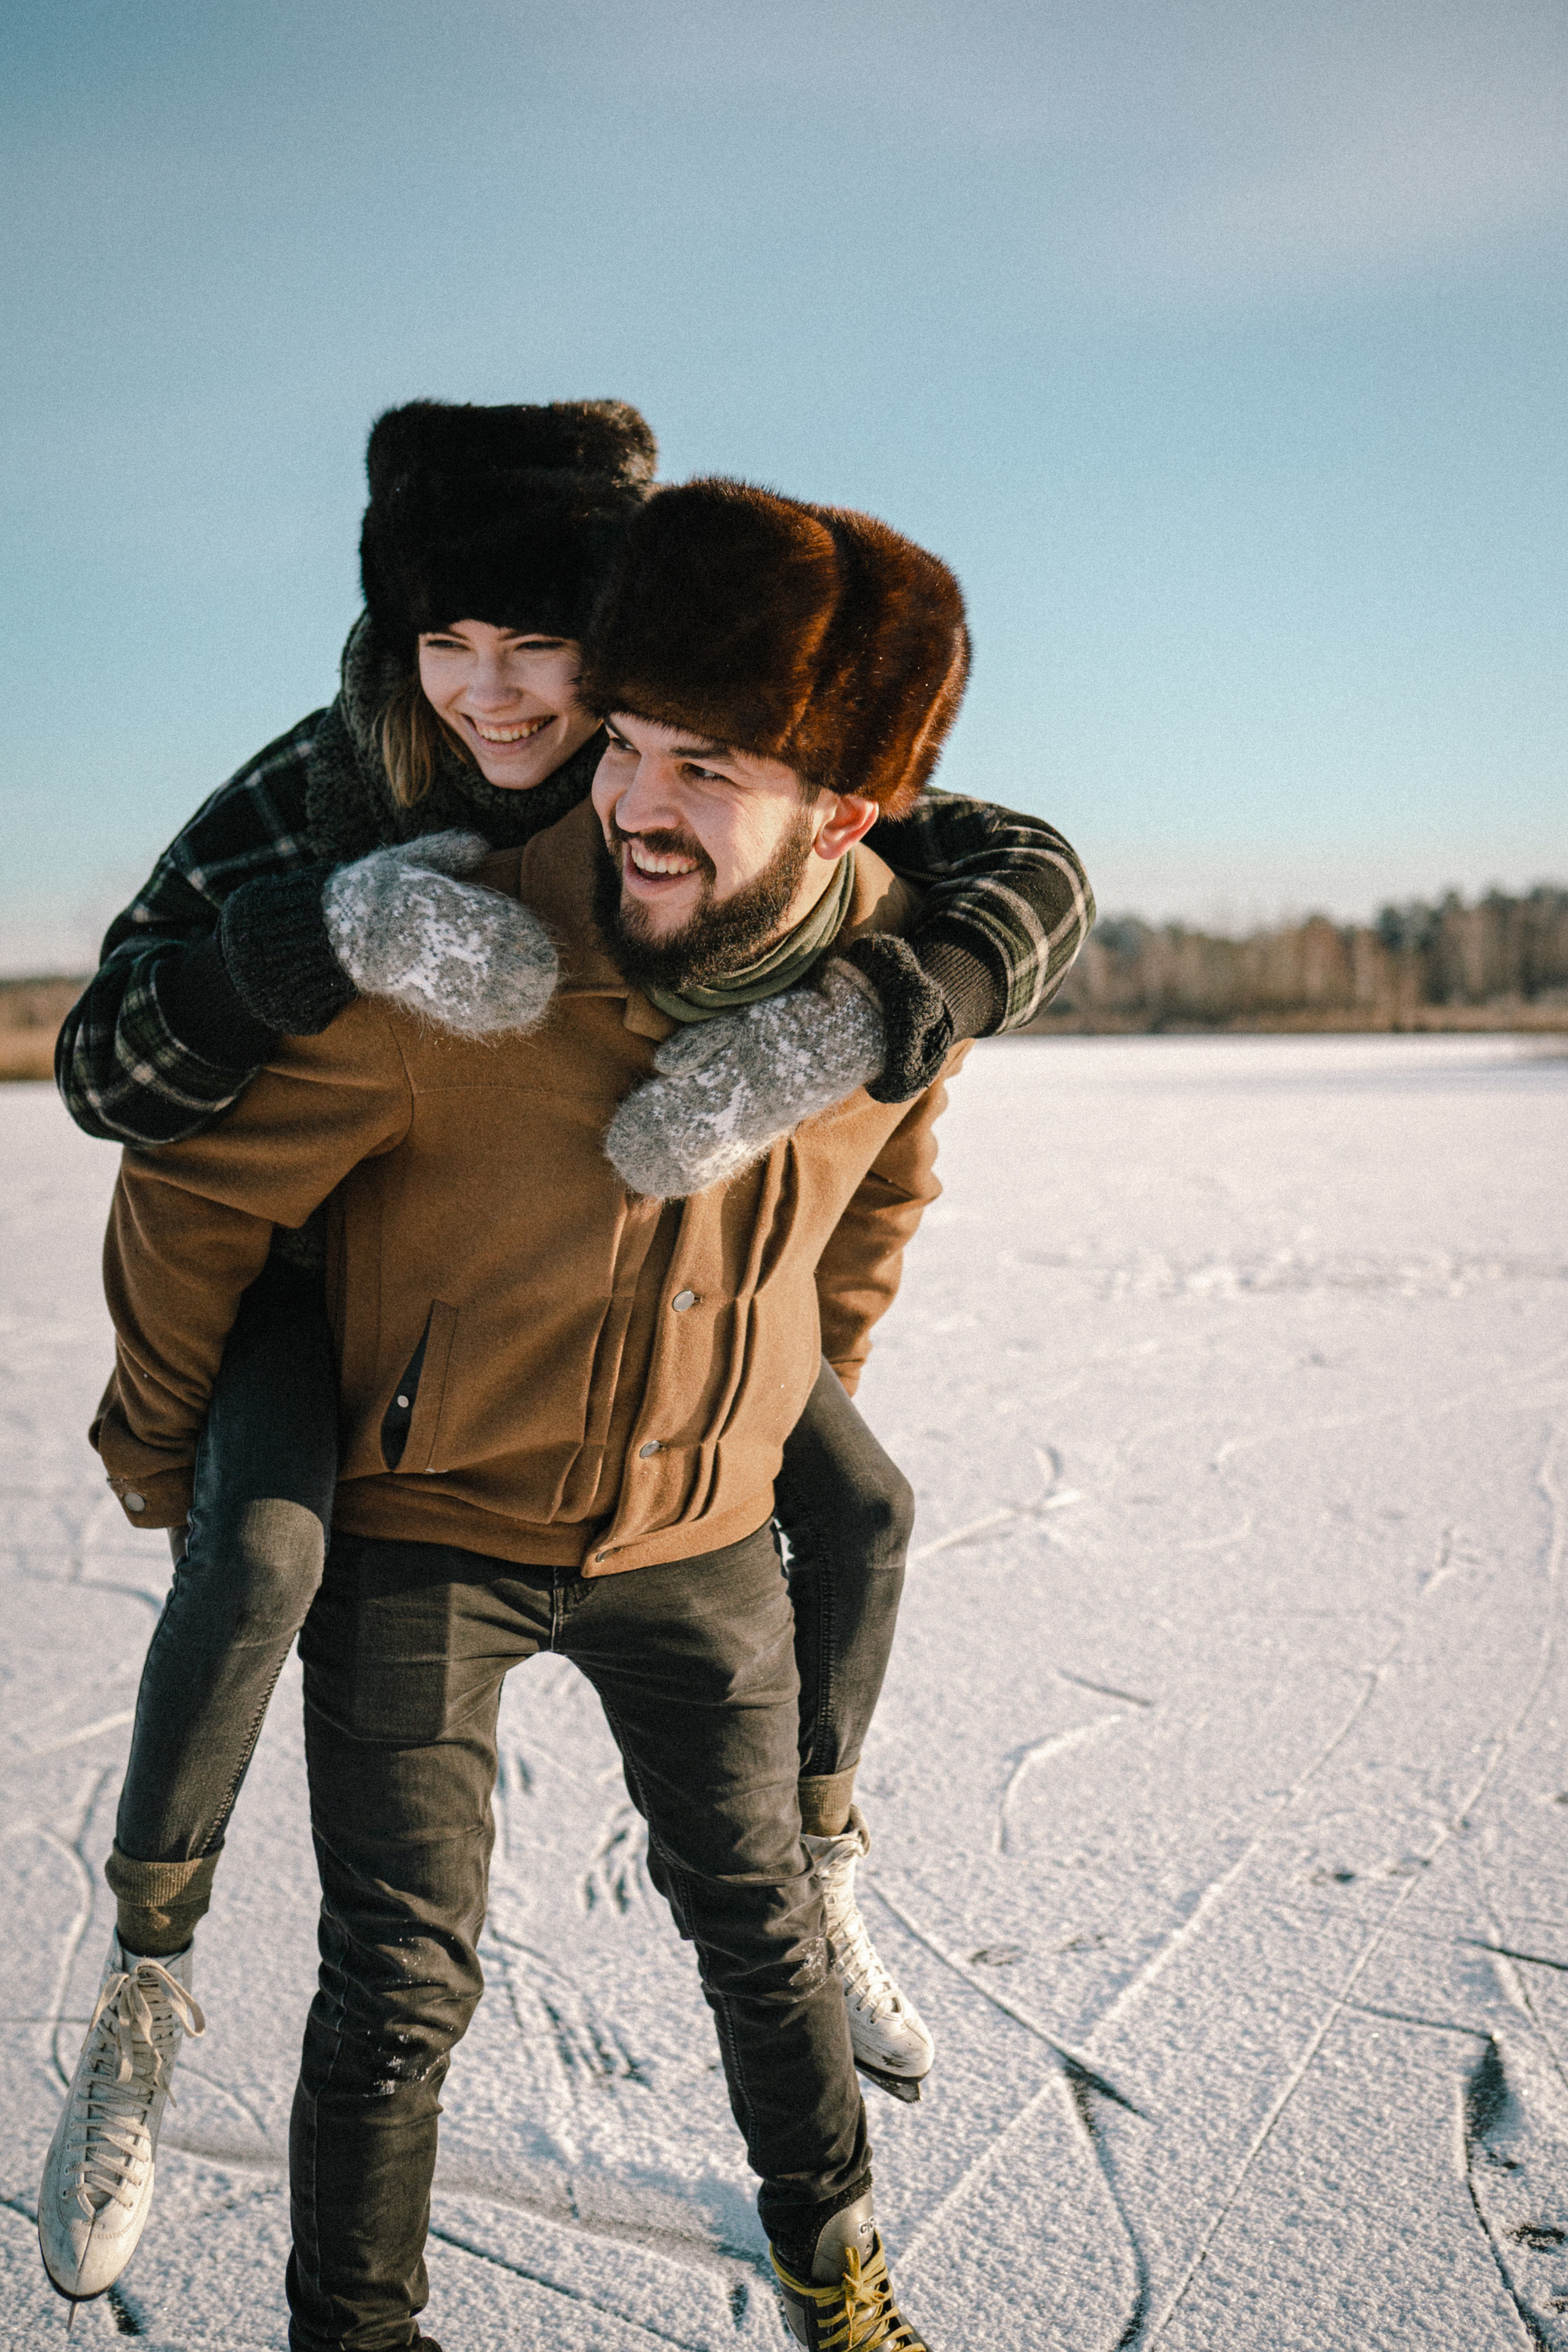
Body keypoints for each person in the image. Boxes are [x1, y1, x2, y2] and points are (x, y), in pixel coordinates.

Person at [40, 402, 1093, 2307]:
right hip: (384, 1401)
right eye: (453, 646)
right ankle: (169, 2013)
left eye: (554, 660)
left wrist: (885, 1034)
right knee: (317, 1716)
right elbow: (138, 1114)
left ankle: (833, 2151)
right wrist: (321, 942)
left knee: (842, 1588)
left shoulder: (830, 875)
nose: (506, 703)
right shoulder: (362, 809)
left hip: (683, 1494)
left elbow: (983, 936)